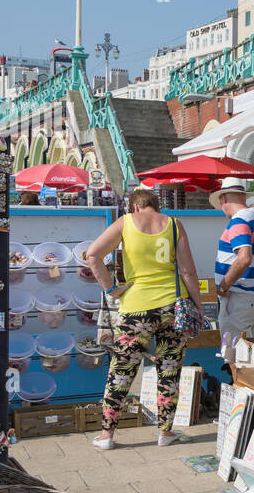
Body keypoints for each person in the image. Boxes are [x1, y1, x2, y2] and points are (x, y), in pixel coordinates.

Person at [83, 187, 204, 449]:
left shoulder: (125, 223)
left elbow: (92, 255)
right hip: (173, 306)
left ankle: (107, 436)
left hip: (135, 308)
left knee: (121, 372)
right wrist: (199, 304)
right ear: (154, 206)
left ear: (134, 206)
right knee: (170, 371)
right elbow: (188, 270)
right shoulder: (174, 225)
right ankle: (165, 433)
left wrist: (111, 288)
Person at [210, 178, 254, 359]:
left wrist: (224, 285)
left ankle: (235, 385)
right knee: (246, 352)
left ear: (224, 199)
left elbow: (244, 258)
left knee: (234, 355)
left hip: (237, 297)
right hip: (252, 297)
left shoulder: (238, 221)